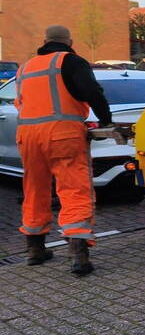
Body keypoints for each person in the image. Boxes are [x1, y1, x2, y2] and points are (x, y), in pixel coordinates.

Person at [15, 25, 113, 275]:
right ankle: (78, 254)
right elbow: (92, 92)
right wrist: (106, 119)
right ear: (70, 41)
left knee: (34, 189)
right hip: (63, 133)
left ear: (44, 41)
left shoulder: (25, 67)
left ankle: (35, 249)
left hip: (28, 134)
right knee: (74, 189)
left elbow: (20, 103)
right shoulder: (70, 61)